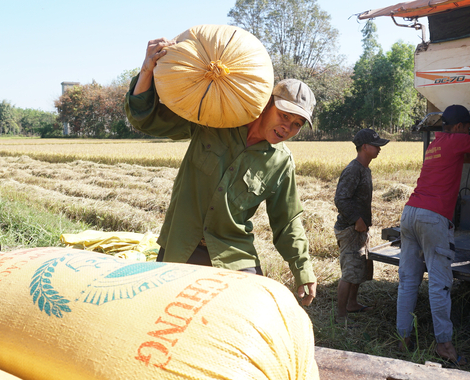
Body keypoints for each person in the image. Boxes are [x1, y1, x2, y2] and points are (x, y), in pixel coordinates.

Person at [124, 38, 317, 305]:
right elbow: (147, 119)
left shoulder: (281, 162)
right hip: (181, 246)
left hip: (232, 253)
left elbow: (287, 222)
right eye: (284, 115)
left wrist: (302, 269)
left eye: (296, 124)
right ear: (266, 104)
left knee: (251, 312)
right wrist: (147, 69)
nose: (288, 128)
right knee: (164, 315)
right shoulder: (219, 117)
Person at [397, 105, 470, 365]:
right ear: (459, 127)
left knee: (408, 280)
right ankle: (444, 345)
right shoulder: (457, 139)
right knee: (440, 283)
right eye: (469, 127)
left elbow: (468, 158)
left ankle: (403, 338)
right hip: (433, 218)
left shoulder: (437, 144)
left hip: (410, 213)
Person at [333, 129, 389, 324]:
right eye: (376, 145)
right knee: (349, 272)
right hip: (350, 229)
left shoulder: (365, 169)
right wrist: (357, 219)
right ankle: (341, 316)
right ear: (364, 147)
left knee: (359, 267)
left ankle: (352, 304)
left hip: (360, 229)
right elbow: (340, 199)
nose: (379, 148)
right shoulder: (353, 169)